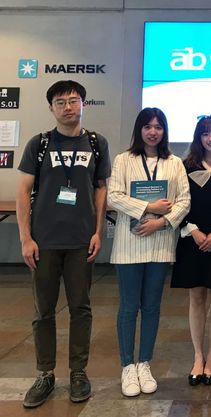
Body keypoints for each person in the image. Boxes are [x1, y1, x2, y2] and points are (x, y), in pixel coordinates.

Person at [15, 80, 111, 408]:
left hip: (81, 242)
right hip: (44, 242)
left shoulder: (96, 143)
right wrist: (26, 238)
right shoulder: (39, 144)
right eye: (60, 102)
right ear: (51, 108)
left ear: (83, 104)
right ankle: (45, 373)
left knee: (80, 308)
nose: (68, 107)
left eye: (73, 100)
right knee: (43, 311)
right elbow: (23, 191)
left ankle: (78, 372)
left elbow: (101, 188)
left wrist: (98, 231)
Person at [108, 107, 190, 397]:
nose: (153, 132)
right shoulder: (123, 160)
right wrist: (148, 207)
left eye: (158, 127)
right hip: (129, 245)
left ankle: (144, 363)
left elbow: (184, 201)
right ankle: (127, 366)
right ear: (139, 130)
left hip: (160, 244)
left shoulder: (174, 163)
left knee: (152, 307)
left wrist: (160, 222)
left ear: (164, 131)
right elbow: (113, 197)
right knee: (129, 306)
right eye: (147, 127)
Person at [171, 115, 211, 386]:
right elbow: (178, 202)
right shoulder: (185, 166)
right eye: (205, 133)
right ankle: (197, 356)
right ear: (198, 137)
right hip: (192, 239)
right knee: (196, 297)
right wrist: (193, 230)